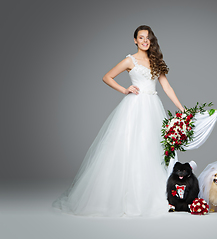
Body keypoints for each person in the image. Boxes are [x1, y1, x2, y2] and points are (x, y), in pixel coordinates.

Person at [52, 25, 184, 217]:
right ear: (135, 40)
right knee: (129, 147)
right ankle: (124, 198)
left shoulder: (155, 60)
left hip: (153, 107)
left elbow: (167, 87)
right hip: (135, 107)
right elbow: (107, 77)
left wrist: (182, 109)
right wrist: (125, 90)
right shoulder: (130, 60)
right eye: (141, 37)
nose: (145, 41)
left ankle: (150, 196)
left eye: (148, 38)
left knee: (151, 148)